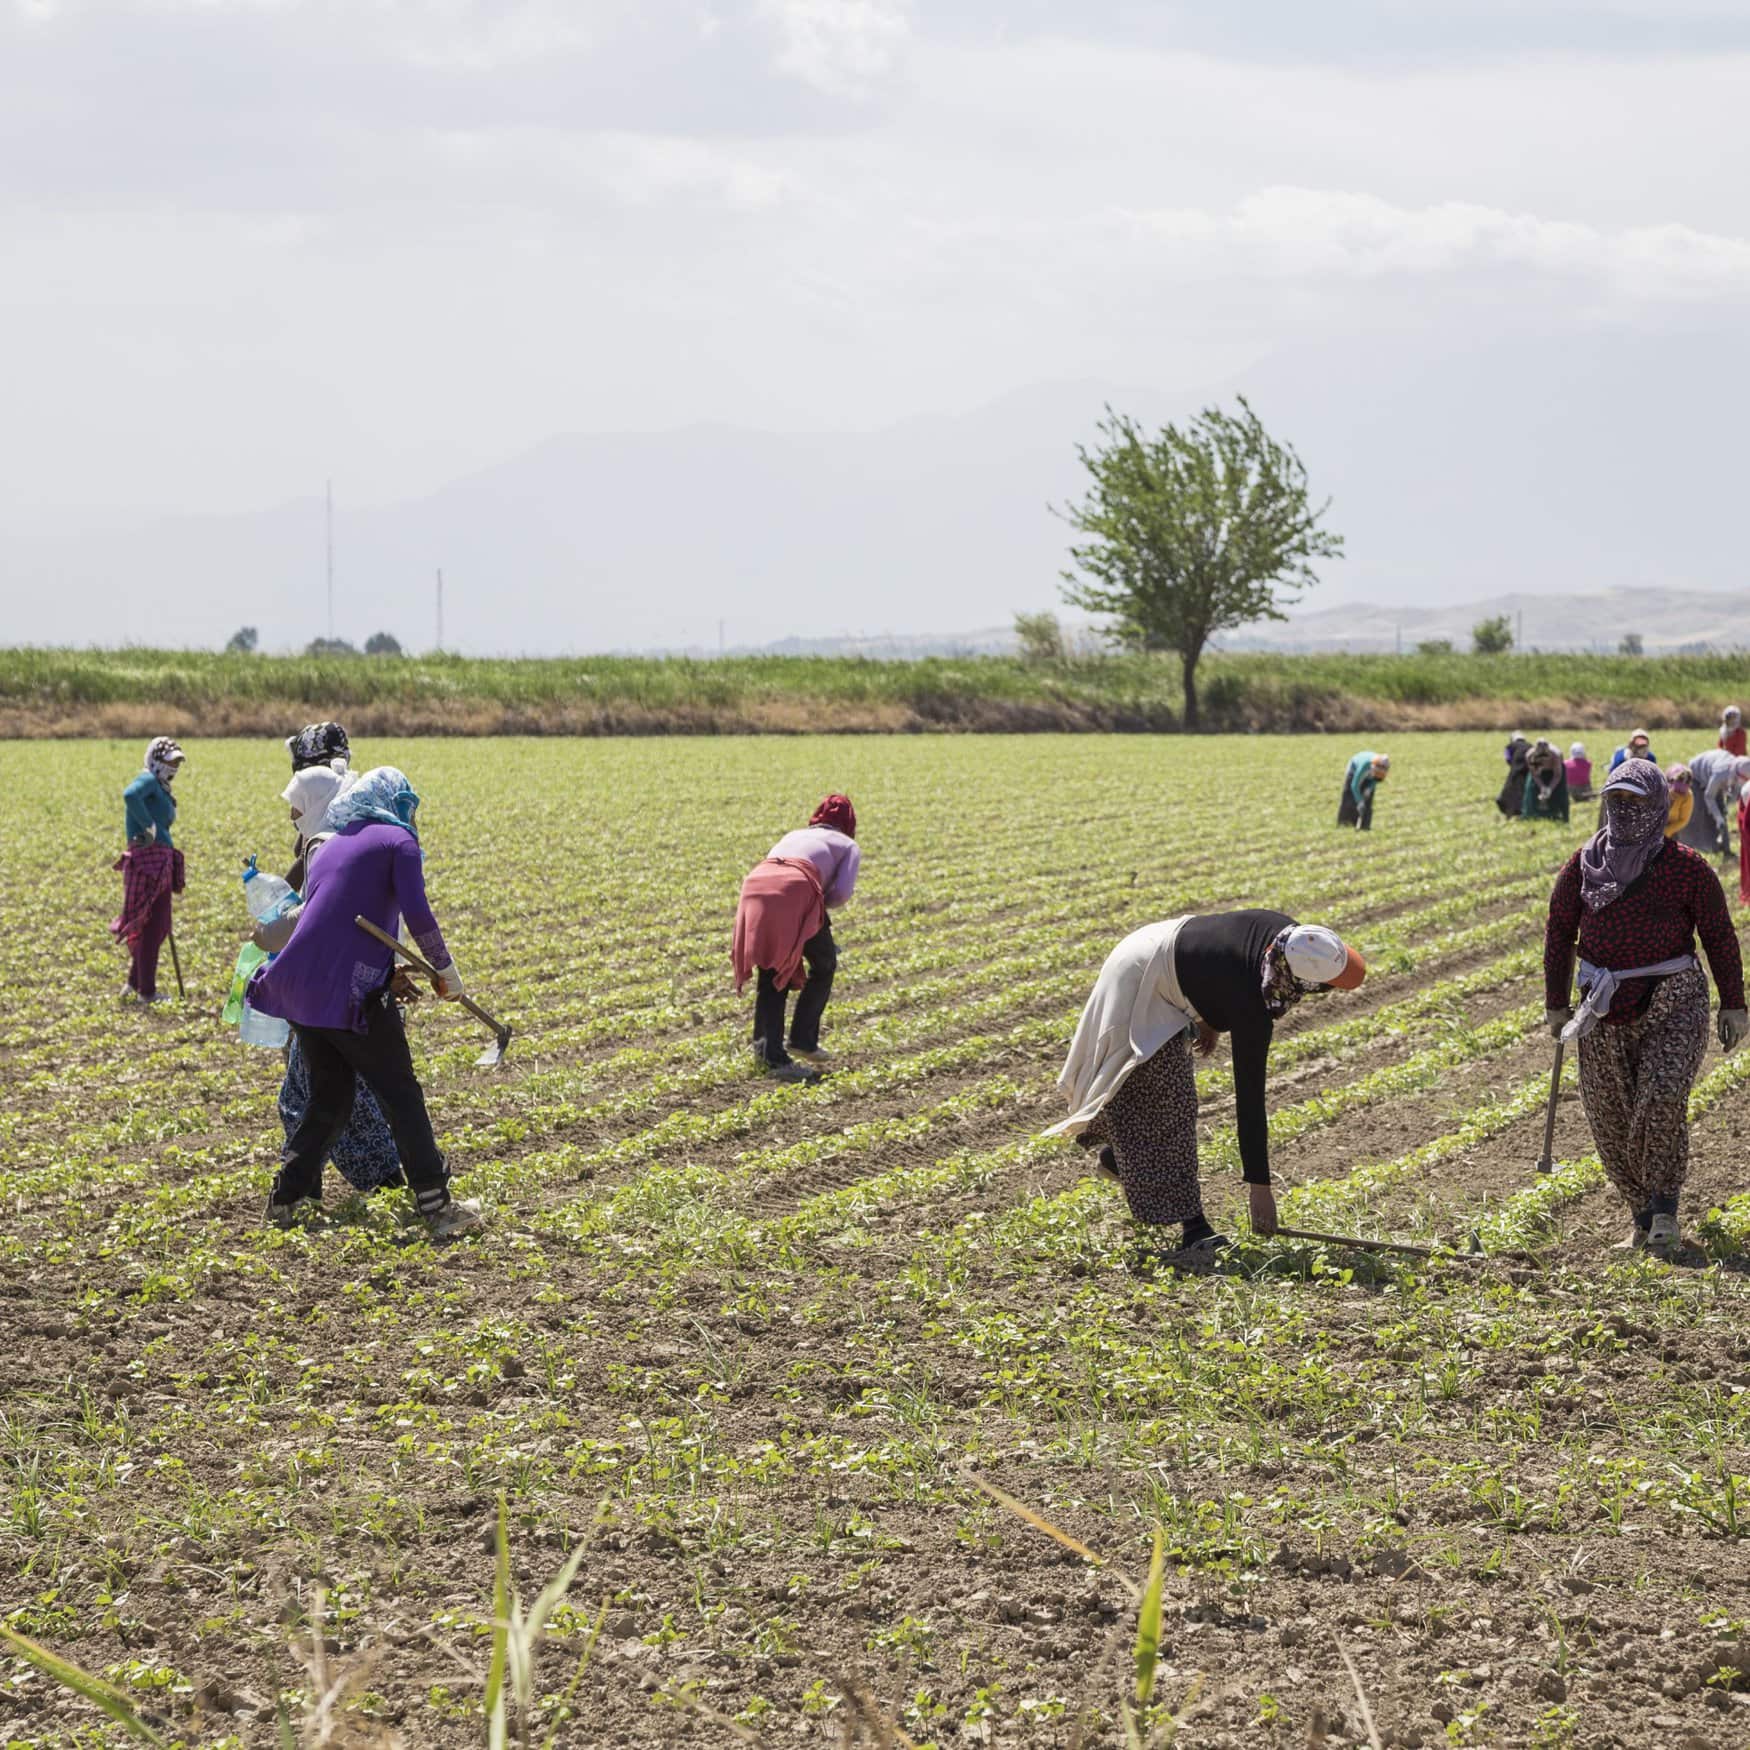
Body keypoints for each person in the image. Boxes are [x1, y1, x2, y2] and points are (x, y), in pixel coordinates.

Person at [246, 767, 484, 1238]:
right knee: (400, 1092)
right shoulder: (399, 843)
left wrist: (395, 969)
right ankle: (436, 1205)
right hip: (351, 996)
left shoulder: (332, 844)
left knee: (331, 1097)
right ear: (395, 804)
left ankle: (286, 1198)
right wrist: (446, 971)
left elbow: (327, 924)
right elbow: (418, 913)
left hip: (301, 988)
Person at [1046, 913, 1367, 1257]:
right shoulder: (1251, 1003)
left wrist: (1208, 1017)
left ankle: (1123, 1159)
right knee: (1170, 1102)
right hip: (1141, 976)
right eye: (1323, 988)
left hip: (1160, 948)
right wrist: (1260, 1188)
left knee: (1160, 1095)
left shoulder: (1288, 940)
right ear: (1299, 982)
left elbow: (1220, 961)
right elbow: (1249, 1098)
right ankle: (1195, 1230)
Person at [1544, 759, 1747, 1258]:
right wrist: (1555, 1003)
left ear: (1658, 805)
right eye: (1618, 800)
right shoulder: (1583, 865)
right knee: (1610, 1116)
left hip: (1673, 998)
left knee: (1660, 1098)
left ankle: (1664, 1213)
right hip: (1601, 1004)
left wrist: (1734, 1004)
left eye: (1637, 800)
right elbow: (1559, 933)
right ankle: (1639, 1218)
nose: (1626, 809)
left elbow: (1718, 936)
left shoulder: (1686, 868)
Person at [261, 758, 407, 1197]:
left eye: (296, 809)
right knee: (319, 1097)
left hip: (334, 995)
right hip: (326, 993)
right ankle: (307, 1189)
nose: (292, 818)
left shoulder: (333, 848)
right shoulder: (320, 846)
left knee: (336, 1099)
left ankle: (373, 1184)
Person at [732, 794, 860, 1082]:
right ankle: (800, 1040)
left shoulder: (794, 834)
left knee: (771, 969)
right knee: (824, 963)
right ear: (849, 824)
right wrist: (811, 918)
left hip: (755, 884)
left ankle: (766, 1053)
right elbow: (840, 893)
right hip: (797, 887)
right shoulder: (848, 845)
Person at [113, 736, 187, 1004]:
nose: (173, 767)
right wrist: (148, 826)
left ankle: (134, 984)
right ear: (155, 760)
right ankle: (147, 991)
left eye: (177, 762)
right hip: (150, 860)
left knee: (154, 924)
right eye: (169, 761)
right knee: (155, 926)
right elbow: (130, 795)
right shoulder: (148, 780)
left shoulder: (159, 786)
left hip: (158, 859)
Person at [285, 720, 353, 889]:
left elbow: (303, 857)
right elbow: (300, 849)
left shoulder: (337, 804)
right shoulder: (342, 789)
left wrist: (277, 901)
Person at [1676, 748, 1750, 859]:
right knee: (1702, 812)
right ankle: (1699, 847)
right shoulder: (1720, 774)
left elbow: (1734, 792)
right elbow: (1709, 796)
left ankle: (1726, 851)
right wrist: (1718, 817)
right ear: (1738, 775)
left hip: (1712, 781)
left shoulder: (1739, 769)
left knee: (1721, 812)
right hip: (1696, 777)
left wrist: (1725, 809)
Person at [1337, 751, 1389, 830]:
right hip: (1354, 770)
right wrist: (1359, 800)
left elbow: (1376, 780)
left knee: (1367, 801)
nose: (1378, 773)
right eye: (1376, 772)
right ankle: (1345, 823)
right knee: (1350, 796)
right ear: (1373, 767)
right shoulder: (1364, 765)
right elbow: (1354, 785)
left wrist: (1369, 789)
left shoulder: (1382, 769)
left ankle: (1364, 827)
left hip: (1369, 774)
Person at [1521, 739, 1569, 822]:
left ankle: (1557, 815)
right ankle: (1533, 815)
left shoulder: (1556, 755)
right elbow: (1534, 774)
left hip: (1555, 773)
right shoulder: (1529, 756)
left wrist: (1550, 789)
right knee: (1532, 790)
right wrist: (1542, 787)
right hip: (1540, 772)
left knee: (1559, 793)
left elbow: (1557, 775)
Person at [1496, 736, 1530, 817]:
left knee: (1509, 790)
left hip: (1516, 770)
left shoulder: (1510, 746)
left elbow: (1508, 758)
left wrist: (1513, 766)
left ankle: (1510, 811)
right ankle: (1522, 810)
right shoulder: (1530, 745)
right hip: (1528, 771)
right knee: (1524, 791)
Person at [1663, 764, 1694, 840]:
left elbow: (1683, 820)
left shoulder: (1688, 797)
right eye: (1676, 790)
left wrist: (1666, 831)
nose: (1678, 794)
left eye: (1681, 792)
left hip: (1671, 830)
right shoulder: (1662, 787)